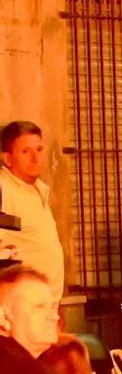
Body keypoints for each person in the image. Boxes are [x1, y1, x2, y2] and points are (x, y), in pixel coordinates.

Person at [1, 121, 63, 293]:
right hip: (20, 307)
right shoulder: (4, 191)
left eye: (39, 149)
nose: (36, 158)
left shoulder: (38, 189)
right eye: (25, 151)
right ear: (8, 158)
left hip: (46, 303)